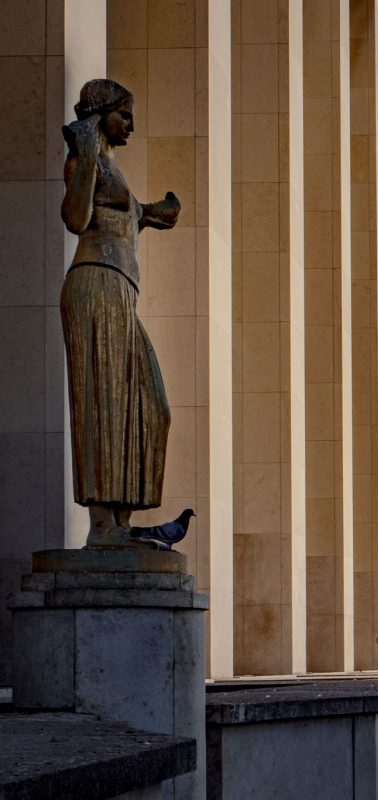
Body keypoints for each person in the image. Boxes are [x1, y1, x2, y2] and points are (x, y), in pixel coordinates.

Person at [60, 78, 181, 547]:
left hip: (118, 291)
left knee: (149, 407)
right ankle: (103, 527)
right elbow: (75, 217)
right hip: (95, 284)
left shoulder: (114, 170)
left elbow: (120, 216)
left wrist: (152, 213)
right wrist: (87, 152)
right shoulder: (85, 159)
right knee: (103, 403)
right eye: (124, 115)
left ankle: (122, 522)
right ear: (102, 114)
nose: (131, 124)